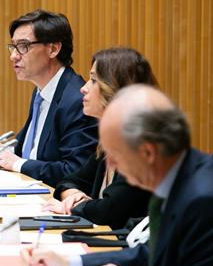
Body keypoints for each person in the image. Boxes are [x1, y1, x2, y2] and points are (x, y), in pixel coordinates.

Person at [23, 85, 213, 266]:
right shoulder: (182, 174)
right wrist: (71, 265)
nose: (110, 163)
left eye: (115, 153)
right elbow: (150, 254)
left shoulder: (207, 203)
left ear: (147, 153)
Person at [0, 9, 98, 187]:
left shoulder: (76, 100)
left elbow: (74, 170)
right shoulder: (42, 91)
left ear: (53, 49)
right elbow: (36, 153)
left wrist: (16, 163)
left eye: (23, 46)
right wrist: (3, 151)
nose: (13, 56)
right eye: (13, 46)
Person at [43, 48, 155, 229]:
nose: (83, 88)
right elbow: (68, 181)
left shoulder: (140, 146)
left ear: (117, 90)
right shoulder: (111, 140)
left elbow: (109, 211)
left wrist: (75, 207)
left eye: (93, 80)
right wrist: (73, 195)